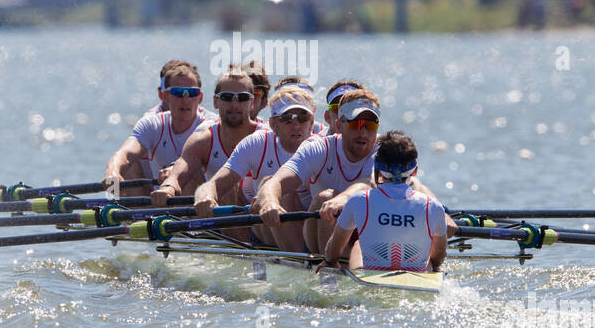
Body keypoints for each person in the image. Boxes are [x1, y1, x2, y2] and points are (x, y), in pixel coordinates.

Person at [256, 87, 381, 253]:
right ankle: (328, 268)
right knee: (324, 198)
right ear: (338, 125)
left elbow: (371, 182)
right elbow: (276, 182)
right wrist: (268, 202)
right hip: (323, 228)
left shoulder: (383, 149)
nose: (363, 132)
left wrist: (343, 198)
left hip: (365, 233)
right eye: (355, 123)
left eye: (370, 125)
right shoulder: (319, 148)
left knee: (332, 200)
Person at [192, 85, 318, 243]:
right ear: (273, 124)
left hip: (309, 234)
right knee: (235, 189)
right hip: (265, 230)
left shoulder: (319, 146)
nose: (296, 125)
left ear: (312, 122)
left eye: (303, 117)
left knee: (281, 191)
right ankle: (242, 249)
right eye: (286, 118)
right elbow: (214, 184)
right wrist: (206, 196)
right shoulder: (257, 142)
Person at [318, 131, 448, 275]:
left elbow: (334, 249)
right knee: (432, 263)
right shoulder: (434, 207)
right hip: (416, 280)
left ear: (378, 171)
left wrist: (329, 261)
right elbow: (439, 255)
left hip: (370, 278)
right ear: (415, 171)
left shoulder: (359, 201)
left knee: (358, 244)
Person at [151, 68, 258, 205]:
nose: (234, 104)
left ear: (252, 103)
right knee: (221, 186)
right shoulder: (202, 140)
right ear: (215, 101)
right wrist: (168, 187)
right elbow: (180, 172)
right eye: (227, 97)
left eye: (242, 98)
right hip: (226, 216)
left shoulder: (266, 136)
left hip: (266, 220)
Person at [104, 62, 207, 196]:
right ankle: (140, 213)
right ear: (164, 96)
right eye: (178, 93)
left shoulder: (209, 125)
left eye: (192, 93)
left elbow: (192, 162)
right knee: (128, 166)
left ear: (200, 97)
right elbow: (125, 153)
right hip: (162, 193)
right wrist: (112, 171)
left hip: (203, 197)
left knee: (188, 175)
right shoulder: (151, 122)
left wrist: (175, 172)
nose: (186, 100)